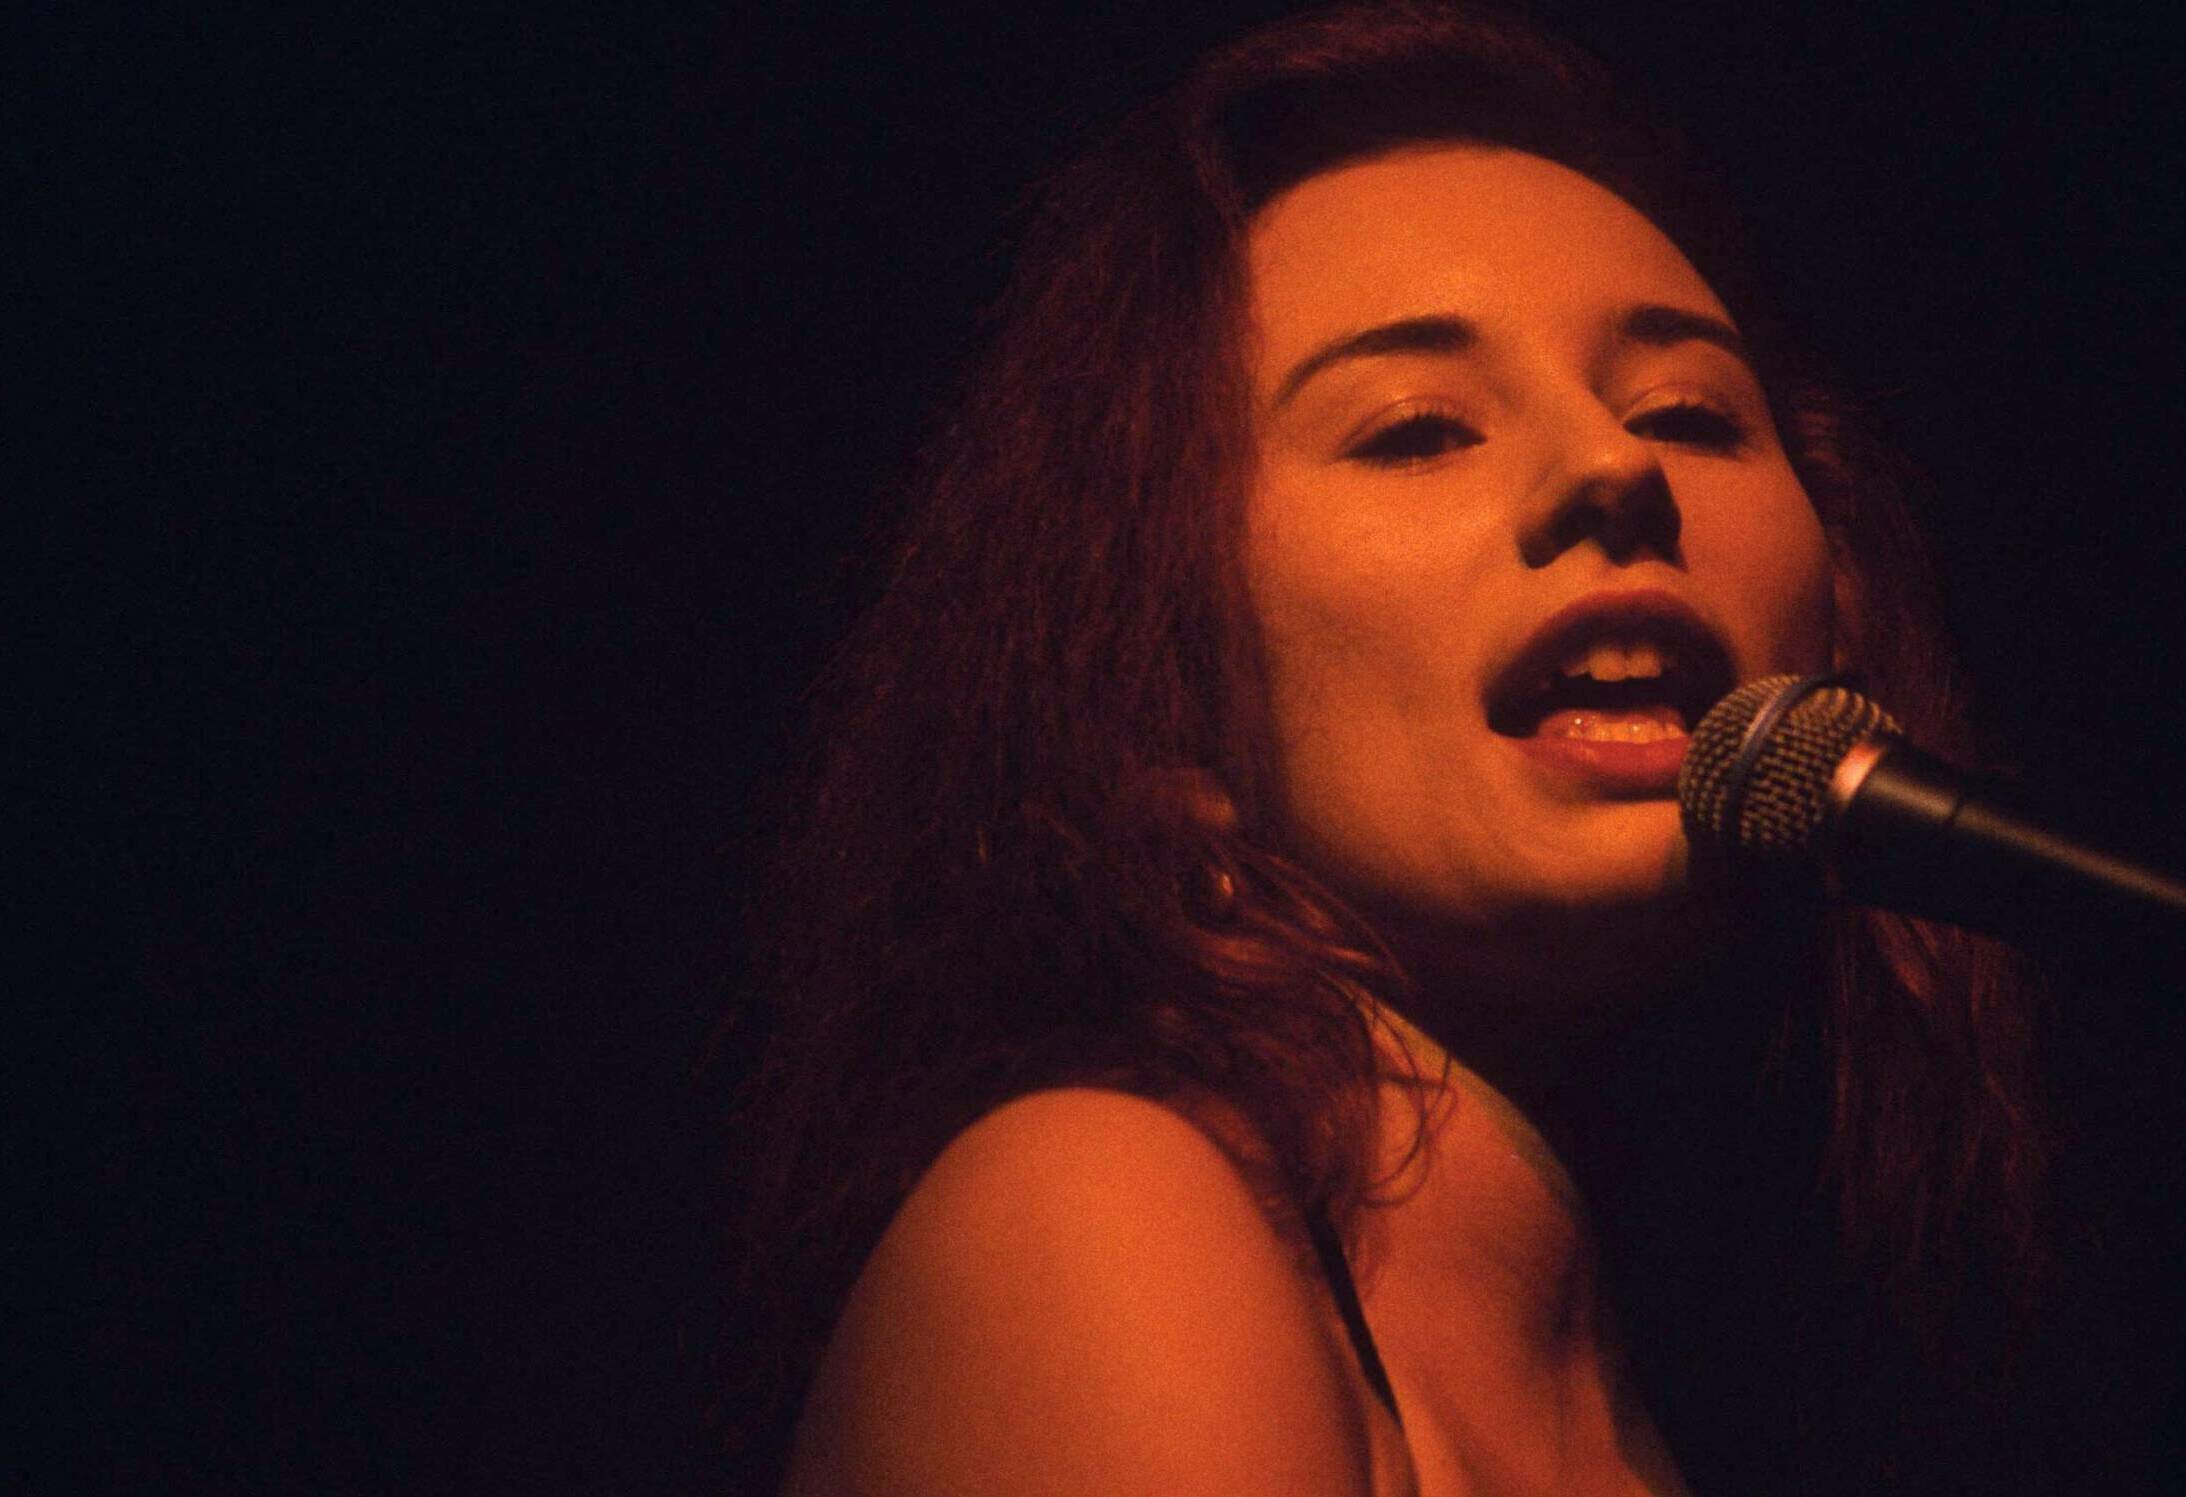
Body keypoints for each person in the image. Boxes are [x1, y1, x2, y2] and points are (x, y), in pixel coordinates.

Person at [723, 4, 2060, 1492]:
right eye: (1417, 428)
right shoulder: (1098, 1214)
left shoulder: (1770, 1376)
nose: (1618, 470)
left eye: (1688, 410)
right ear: (1155, 684)